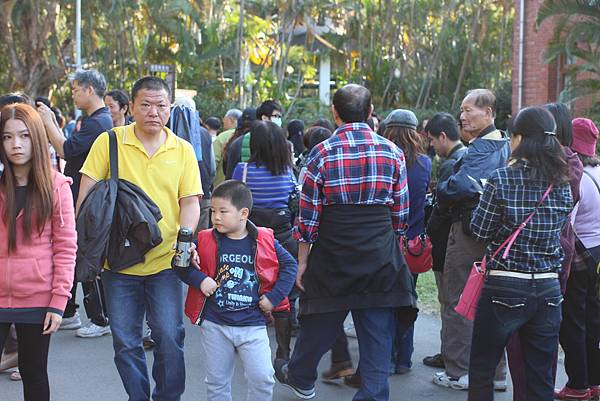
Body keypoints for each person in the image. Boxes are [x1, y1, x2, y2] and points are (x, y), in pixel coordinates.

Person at [275, 84, 417, 401]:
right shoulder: (392, 153)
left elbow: (308, 219)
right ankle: (374, 394)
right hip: (380, 252)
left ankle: (300, 376)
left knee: (322, 316)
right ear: (369, 114)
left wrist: (302, 261)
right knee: (378, 332)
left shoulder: (321, 153)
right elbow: (400, 214)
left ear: (335, 114)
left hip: (333, 251)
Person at [77, 76, 202, 401]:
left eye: (161, 105)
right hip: (118, 264)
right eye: (145, 104)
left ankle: (167, 397)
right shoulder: (110, 142)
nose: (153, 112)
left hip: (165, 263)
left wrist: (186, 242)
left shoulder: (182, 149)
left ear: (170, 108)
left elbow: (190, 202)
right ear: (131, 107)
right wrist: (88, 243)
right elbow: (87, 195)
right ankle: (138, 396)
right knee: (125, 341)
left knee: (169, 337)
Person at [468, 106, 573, 401]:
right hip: (548, 287)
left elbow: (480, 230)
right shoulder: (562, 184)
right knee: (540, 377)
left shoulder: (501, 178)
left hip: (505, 283)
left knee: (482, 369)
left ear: (520, 139)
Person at [176, 180, 297, 401]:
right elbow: (181, 265)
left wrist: (274, 297)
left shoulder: (264, 239)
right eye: (213, 211)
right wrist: (200, 279)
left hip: (253, 325)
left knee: (263, 378)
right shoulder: (204, 239)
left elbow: (290, 266)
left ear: (243, 213)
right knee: (217, 382)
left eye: (223, 211)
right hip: (215, 324)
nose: (216, 217)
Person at [506, 102, 584, 401]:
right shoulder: (559, 163)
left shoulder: (566, 164)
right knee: (528, 340)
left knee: (536, 339)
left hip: (548, 262)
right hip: (543, 259)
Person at [433, 89, 510, 390]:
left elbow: (456, 188)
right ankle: (496, 373)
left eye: (469, 110)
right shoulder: (503, 143)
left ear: (488, 113)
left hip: (468, 234)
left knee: (461, 300)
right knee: (490, 302)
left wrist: (447, 185)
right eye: (461, 111)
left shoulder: (481, 149)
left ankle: (459, 371)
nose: (462, 117)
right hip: (496, 234)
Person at [0, 103, 77, 401]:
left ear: (36, 137)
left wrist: (59, 301)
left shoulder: (57, 186)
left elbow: (66, 245)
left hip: (37, 298)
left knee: (33, 375)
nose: (15, 144)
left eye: (23, 136)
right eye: (7, 137)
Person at [36, 69, 113, 337]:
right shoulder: (97, 120)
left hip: (87, 199)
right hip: (84, 197)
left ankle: (100, 319)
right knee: (78, 255)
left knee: (86, 257)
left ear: (90, 90)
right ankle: (69, 312)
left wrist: (47, 121)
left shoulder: (96, 123)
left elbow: (65, 150)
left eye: (76, 90)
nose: (73, 95)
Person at [232, 121, 298, 363]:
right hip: (281, 236)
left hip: (251, 236)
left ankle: (246, 339)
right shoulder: (288, 172)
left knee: (247, 287)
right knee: (282, 292)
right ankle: (283, 349)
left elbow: (235, 202)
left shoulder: (243, 170)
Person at [382, 109, 432, 375]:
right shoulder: (425, 163)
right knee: (407, 298)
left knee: (384, 302)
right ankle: (404, 359)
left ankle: (387, 357)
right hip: (413, 244)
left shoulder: (384, 160)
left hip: (385, 241)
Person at [554, 118, 600, 400]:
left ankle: (578, 385)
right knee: (594, 320)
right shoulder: (598, 170)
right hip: (598, 253)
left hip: (580, 256)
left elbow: (565, 226)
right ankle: (595, 381)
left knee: (572, 321)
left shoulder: (577, 175)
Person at [422, 112, 467, 370]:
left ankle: (449, 355)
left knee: (448, 300)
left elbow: (442, 209)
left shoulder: (452, 163)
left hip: (447, 243)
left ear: (442, 136)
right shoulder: (467, 156)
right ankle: (450, 353)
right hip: (456, 241)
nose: (431, 146)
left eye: (432, 140)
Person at [225, 100, 283, 179]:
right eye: (276, 116)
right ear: (264, 118)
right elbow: (230, 176)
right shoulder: (239, 144)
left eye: (280, 117)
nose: (279, 120)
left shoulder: (282, 143)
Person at [214, 107, 253, 188]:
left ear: (231, 120)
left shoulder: (224, 137)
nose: (223, 122)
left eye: (224, 119)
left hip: (224, 187)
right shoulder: (262, 140)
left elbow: (214, 161)